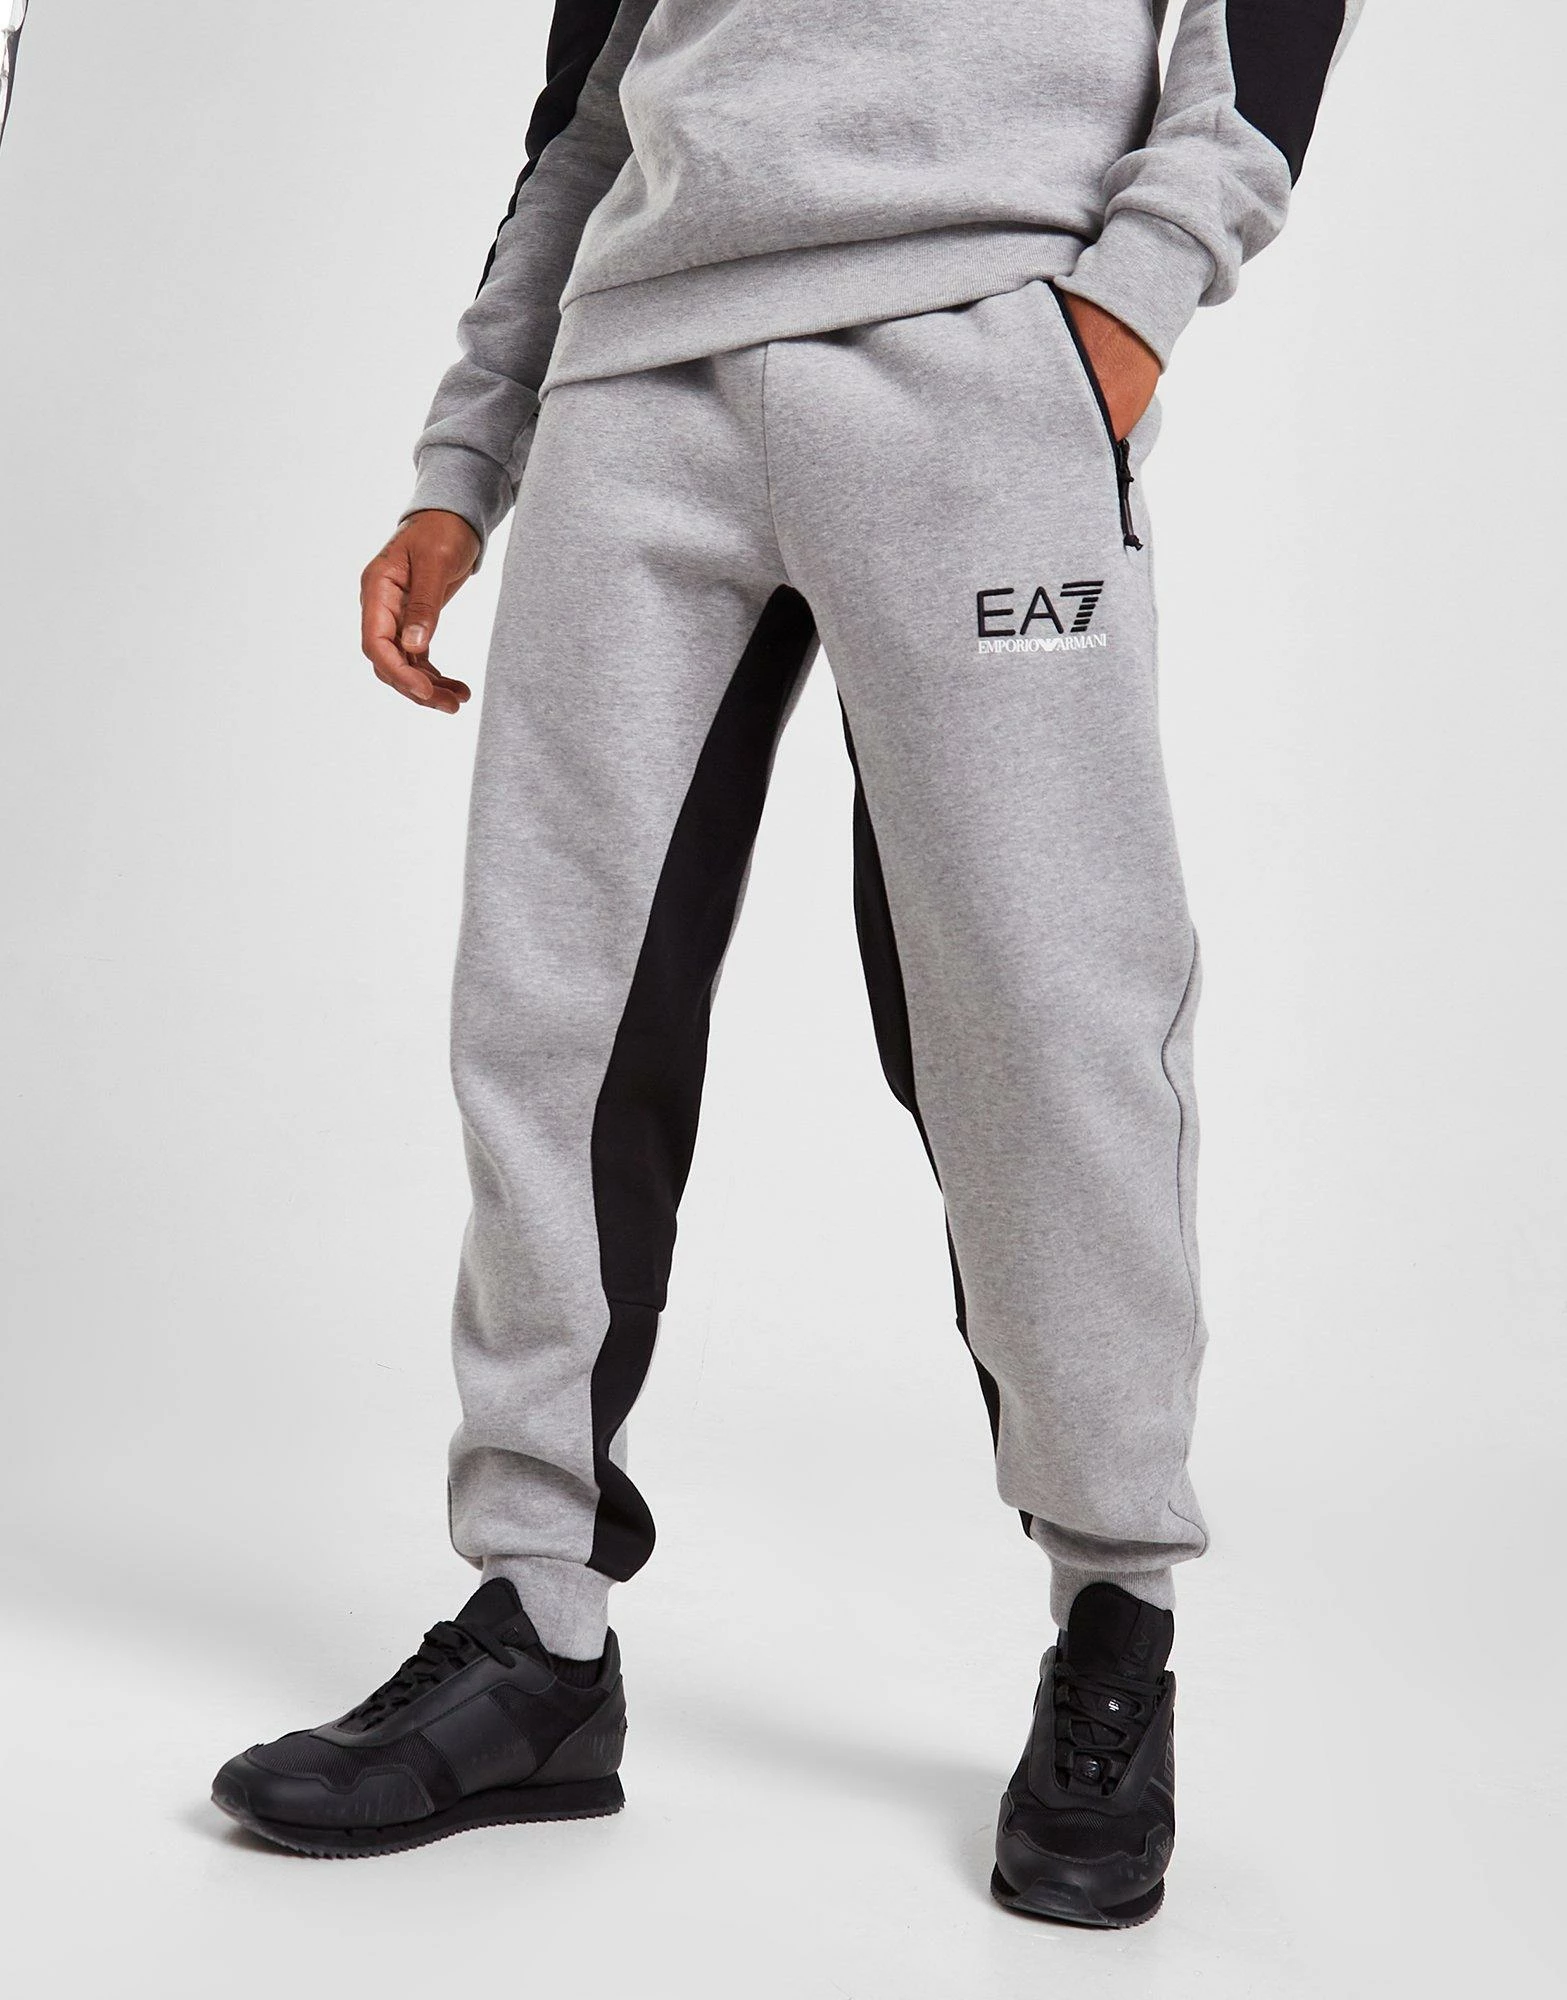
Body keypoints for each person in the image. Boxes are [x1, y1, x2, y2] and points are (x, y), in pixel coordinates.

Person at [212, 0, 1360, 1926]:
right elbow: (588, 108)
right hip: (635, 382)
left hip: (984, 349)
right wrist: (462, 459)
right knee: (551, 1018)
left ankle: (1114, 1621)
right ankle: (536, 1633)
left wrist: (1125, 305)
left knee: (1039, 1014)